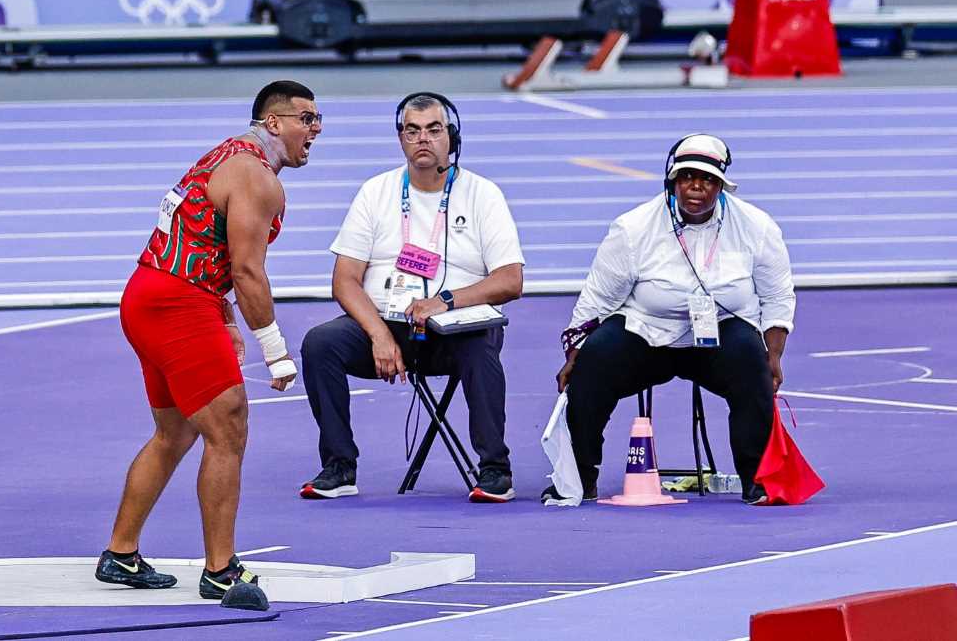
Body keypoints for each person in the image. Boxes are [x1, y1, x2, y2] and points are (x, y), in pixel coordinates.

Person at [95, 81, 321, 608]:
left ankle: (120, 552)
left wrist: (225, 319)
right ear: (273, 123)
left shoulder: (224, 155)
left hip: (149, 293)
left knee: (173, 432)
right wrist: (275, 347)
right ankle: (221, 571)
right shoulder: (258, 179)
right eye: (306, 119)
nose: (316, 130)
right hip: (178, 303)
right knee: (230, 423)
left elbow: (199, 240)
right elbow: (246, 269)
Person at [300, 92, 525, 502]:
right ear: (401, 139)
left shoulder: (483, 194)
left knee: (480, 347)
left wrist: (447, 301)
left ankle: (495, 469)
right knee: (321, 343)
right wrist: (378, 335)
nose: (423, 139)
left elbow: (511, 279)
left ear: (452, 137)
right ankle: (339, 466)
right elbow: (345, 279)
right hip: (387, 325)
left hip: (457, 329)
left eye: (434, 130)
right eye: (412, 131)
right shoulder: (375, 192)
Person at [548, 134, 795, 506]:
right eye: (687, 178)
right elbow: (598, 298)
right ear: (672, 182)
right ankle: (581, 476)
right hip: (646, 332)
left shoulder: (757, 227)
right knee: (593, 365)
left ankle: (757, 480)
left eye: (707, 179)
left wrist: (773, 355)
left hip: (721, 334)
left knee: (752, 362)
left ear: (721, 186)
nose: (696, 187)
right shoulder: (633, 228)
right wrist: (575, 353)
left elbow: (777, 297)